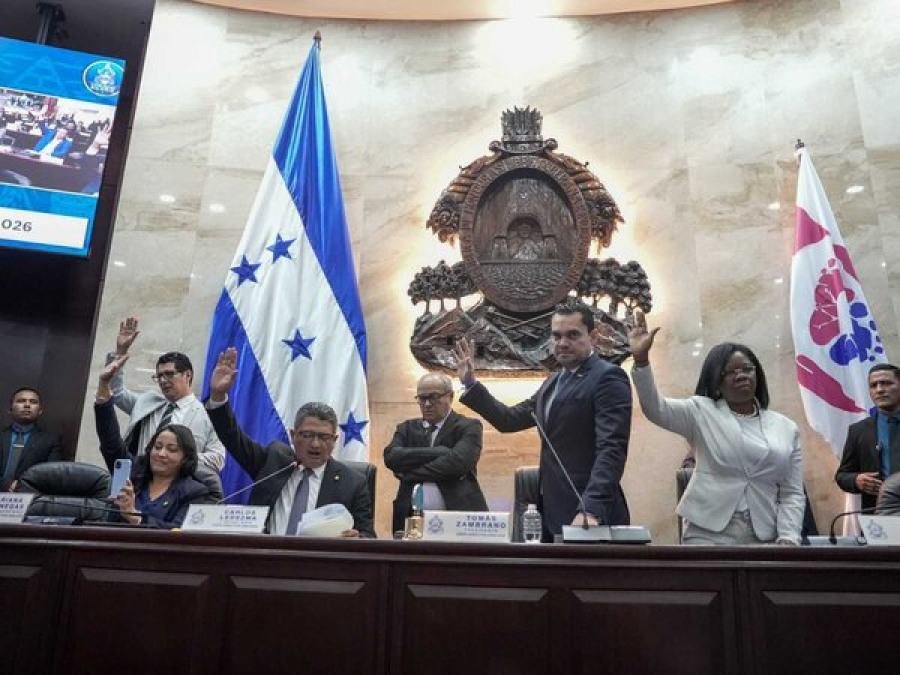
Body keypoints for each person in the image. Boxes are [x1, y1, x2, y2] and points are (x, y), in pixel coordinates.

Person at [453, 302, 632, 540]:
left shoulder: (608, 377)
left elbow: (611, 449)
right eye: (556, 336)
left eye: (573, 335)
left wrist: (591, 508)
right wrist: (470, 384)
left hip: (588, 516)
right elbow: (509, 420)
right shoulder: (553, 382)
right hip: (550, 510)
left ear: (594, 337)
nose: (562, 343)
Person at [629, 309, 804, 545]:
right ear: (717, 382)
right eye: (729, 372)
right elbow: (655, 409)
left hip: (765, 534)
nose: (741, 376)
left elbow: (792, 492)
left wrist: (789, 537)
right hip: (707, 533)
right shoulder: (701, 411)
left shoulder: (786, 428)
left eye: (747, 369)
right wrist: (641, 362)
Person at [205, 347, 375, 537]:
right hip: (266, 553)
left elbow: (368, 535)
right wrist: (218, 396)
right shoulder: (273, 461)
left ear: (334, 440)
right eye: (307, 435)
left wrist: (356, 539)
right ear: (293, 435)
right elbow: (232, 437)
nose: (315, 444)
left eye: (324, 437)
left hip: (318, 556)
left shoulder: (353, 483)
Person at [95, 355, 214, 528]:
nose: (161, 454)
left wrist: (134, 517)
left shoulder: (194, 492)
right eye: (157, 447)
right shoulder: (133, 475)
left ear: (185, 457)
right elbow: (110, 443)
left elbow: (178, 533)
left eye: (172, 449)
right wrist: (103, 385)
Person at [106, 317, 225, 472]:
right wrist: (120, 352)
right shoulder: (148, 402)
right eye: (159, 376)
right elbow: (116, 392)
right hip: (138, 478)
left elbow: (217, 459)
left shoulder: (207, 414)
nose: (163, 380)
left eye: (169, 374)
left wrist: (178, 458)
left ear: (187, 375)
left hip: (180, 483)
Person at [384, 373, 488, 533]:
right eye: (422, 398)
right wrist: (440, 452)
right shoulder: (407, 428)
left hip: (460, 518)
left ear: (450, 397)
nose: (427, 404)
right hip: (411, 520)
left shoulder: (468, 426)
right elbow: (391, 457)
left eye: (434, 397)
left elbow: (457, 463)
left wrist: (409, 474)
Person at [835, 364, 900, 512]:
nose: (879, 390)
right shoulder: (858, 431)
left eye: (886, 383)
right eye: (873, 385)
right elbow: (842, 475)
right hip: (878, 513)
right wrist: (856, 480)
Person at [1, 387, 64, 492]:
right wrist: (6, 484)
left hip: (30, 496)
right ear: (10, 409)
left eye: (33, 402)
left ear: (40, 411)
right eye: (21, 401)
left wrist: (22, 486)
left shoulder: (51, 441)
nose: (27, 405)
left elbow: (53, 475)